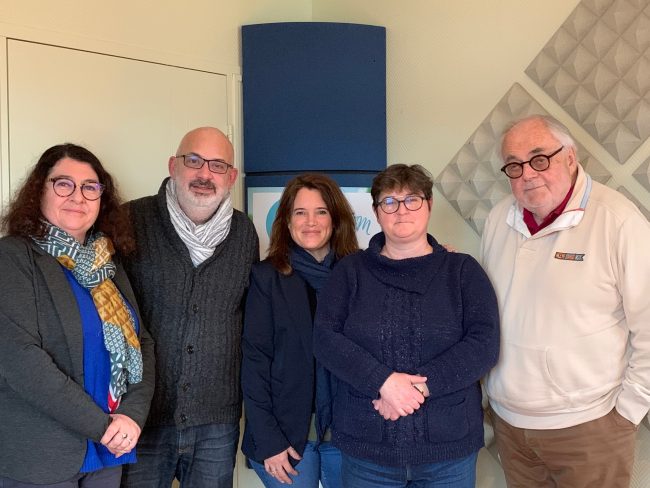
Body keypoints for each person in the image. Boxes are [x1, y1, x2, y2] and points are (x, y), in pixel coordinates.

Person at [481, 114, 650, 488]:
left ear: (570, 157)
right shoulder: (498, 219)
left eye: (540, 159)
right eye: (514, 165)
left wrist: (628, 412)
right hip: (511, 424)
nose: (527, 174)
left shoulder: (618, 221)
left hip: (590, 427)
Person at [313, 164, 500, 487]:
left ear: (429, 205)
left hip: (448, 453)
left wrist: (416, 388)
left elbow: (483, 344)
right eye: (389, 201)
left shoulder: (462, 271)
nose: (401, 210)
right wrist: (383, 382)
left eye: (412, 199)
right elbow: (325, 339)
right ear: (376, 211)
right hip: (367, 452)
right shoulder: (350, 272)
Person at [0, 143, 155, 487]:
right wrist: (104, 427)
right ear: (39, 190)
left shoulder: (106, 263)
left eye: (90, 187)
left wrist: (132, 415)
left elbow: (141, 342)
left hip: (109, 452)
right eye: (63, 184)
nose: (78, 197)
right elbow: (22, 363)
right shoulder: (11, 258)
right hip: (42, 457)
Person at [120, 127, 259, 488]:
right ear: (173, 165)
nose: (204, 174)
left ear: (231, 177)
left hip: (216, 421)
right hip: (140, 417)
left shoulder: (244, 234)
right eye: (194, 160)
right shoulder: (129, 221)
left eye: (217, 165)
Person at [241, 174, 359, 487]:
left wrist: (438, 255)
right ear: (287, 221)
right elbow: (254, 363)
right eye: (300, 212)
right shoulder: (266, 278)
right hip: (284, 438)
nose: (310, 222)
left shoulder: (359, 275)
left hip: (349, 435)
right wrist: (268, 440)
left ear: (336, 220)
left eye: (321, 212)